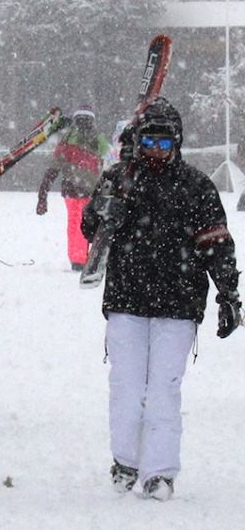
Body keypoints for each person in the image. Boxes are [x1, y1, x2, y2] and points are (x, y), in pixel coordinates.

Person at [81, 97, 241, 501]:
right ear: (138, 142)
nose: (156, 152)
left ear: (177, 145)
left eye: (165, 145)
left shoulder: (196, 186)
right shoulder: (118, 179)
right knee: (126, 387)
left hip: (178, 304)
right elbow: (90, 229)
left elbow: (216, 244)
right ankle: (125, 461)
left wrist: (229, 294)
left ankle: (160, 472)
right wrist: (105, 209)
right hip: (126, 301)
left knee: (165, 390)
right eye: (149, 143)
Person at [36, 105, 109, 271]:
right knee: (89, 223)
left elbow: (53, 170)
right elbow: (109, 162)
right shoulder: (99, 139)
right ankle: (84, 258)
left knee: (75, 222)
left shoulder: (68, 140)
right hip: (91, 190)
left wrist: (43, 195)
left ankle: (78, 259)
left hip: (72, 190)